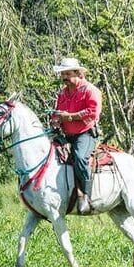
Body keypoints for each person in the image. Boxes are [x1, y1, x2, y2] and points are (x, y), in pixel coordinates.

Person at [51, 58, 102, 215]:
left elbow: (93, 112)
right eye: (63, 74)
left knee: (80, 158)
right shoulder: (63, 93)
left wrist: (70, 117)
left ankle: (86, 196)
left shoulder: (90, 90)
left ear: (78, 73)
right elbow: (57, 113)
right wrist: (55, 121)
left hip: (85, 134)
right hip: (67, 134)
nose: (64, 77)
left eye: (67, 73)